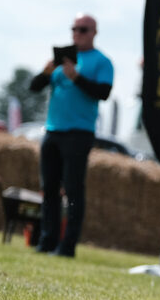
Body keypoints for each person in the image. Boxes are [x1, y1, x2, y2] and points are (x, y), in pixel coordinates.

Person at [28, 14, 113, 258]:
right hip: (53, 130)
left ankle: (68, 246)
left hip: (79, 133)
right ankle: (47, 241)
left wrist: (76, 77)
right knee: (50, 189)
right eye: (74, 29)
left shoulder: (102, 61)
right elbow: (34, 87)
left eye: (83, 29)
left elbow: (103, 93)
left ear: (94, 32)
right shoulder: (59, 61)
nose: (77, 33)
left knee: (74, 190)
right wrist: (46, 73)